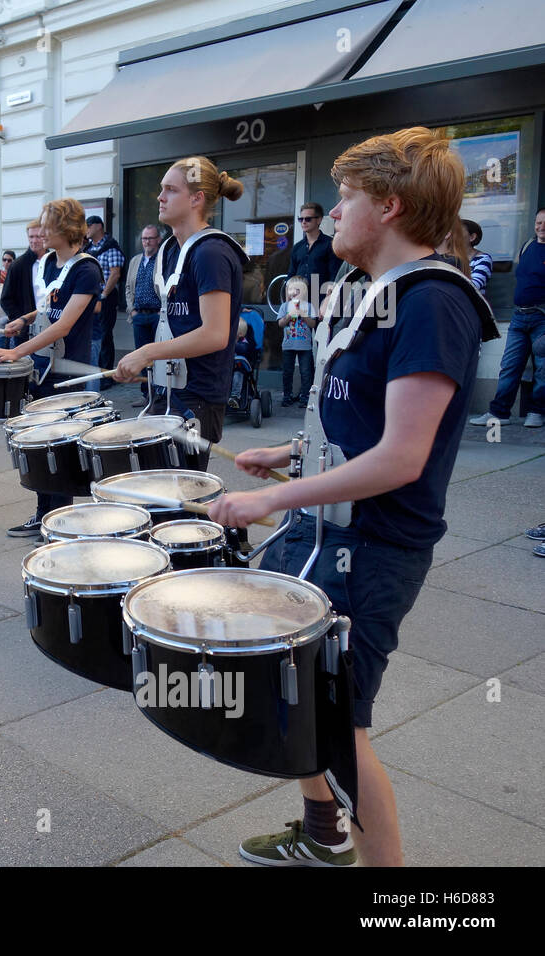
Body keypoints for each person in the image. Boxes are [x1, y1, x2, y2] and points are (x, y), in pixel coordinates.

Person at [209, 126, 489, 868]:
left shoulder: (434, 302)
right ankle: (324, 831)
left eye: (345, 198)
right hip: (327, 530)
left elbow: (402, 457)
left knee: (337, 722)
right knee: (294, 692)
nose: (332, 213)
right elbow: (365, 426)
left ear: (390, 207)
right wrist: (294, 451)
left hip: (370, 548)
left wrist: (273, 499)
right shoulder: (381, 294)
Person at [111, 157, 248, 468]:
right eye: (162, 189)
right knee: (160, 496)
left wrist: (147, 352)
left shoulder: (211, 252)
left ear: (196, 198)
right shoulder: (171, 249)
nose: (160, 197)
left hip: (197, 396)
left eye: (170, 190)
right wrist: (150, 364)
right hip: (169, 388)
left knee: (182, 502)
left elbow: (215, 334)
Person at [0, 199, 102, 536]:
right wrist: (20, 321)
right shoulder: (48, 264)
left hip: (67, 373)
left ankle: (62, 525)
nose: (39, 231)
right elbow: (44, 311)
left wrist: (16, 352)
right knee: (39, 448)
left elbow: (64, 324)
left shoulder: (87, 269)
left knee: (61, 451)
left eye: (46, 225)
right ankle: (42, 515)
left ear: (66, 228)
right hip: (42, 367)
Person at [468, 207, 545, 428]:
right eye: (538, 222)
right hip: (519, 316)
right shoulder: (528, 246)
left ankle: (536, 412)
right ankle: (499, 413)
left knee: (542, 367)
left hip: (542, 317)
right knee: (510, 365)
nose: (541, 227)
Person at [124, 224, 164, 407]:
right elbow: (128, 288)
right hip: (139, 316)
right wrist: (132, 310)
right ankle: (145, 395)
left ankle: (160, 395)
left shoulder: (163, 260)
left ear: (158, 240)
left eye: (150, 238)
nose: (147, 242)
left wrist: (161, 311)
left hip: (157, 316)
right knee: (141, 357)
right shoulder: (135, 261)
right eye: (144, 238)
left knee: (158, 357)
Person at [84, 215, 125, 369]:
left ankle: (106, 372)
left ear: (99, 226)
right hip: (90, 296)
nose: (86, 229)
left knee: (105, 334)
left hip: (104, 296)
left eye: (88, 225)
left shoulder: (111, 247)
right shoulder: (88, 248)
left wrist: (103, 295)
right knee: (92, 334)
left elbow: (115, 274)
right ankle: (94, 369)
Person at [1, 219, 47, 342]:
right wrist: (22, 320)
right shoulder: (18, 265)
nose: (34, 240)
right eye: (31, 236)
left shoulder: (53, 261)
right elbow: (6, 299)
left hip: (51, 326)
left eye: (38, 236)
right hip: (26, 332)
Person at [277, 276, 317, 407]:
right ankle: (287, 396)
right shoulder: (284, 306)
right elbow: (280, 324)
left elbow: (313, 324)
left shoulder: (309, 306)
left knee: (306, 372)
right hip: (288, 345)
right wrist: (290, 315)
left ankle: (305, 397)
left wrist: (302, 314)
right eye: (291, 290)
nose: (293, 293)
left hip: (305, 346)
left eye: (297, 290)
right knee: (287, 372)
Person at [290, 202, 342, 300]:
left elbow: (335, 275)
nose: (304, 222)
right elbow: (291, 275)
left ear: (319, 220)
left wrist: (328, 299)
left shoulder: (330, 244)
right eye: (301, 219)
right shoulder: (297, 247)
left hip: (320, 300)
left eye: (308, 219)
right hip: (298, 301)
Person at [463, 219, 492, 296]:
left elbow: (474, 286)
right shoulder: (447, 257)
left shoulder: (483, 259)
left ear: (472, 237)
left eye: (458, 233)